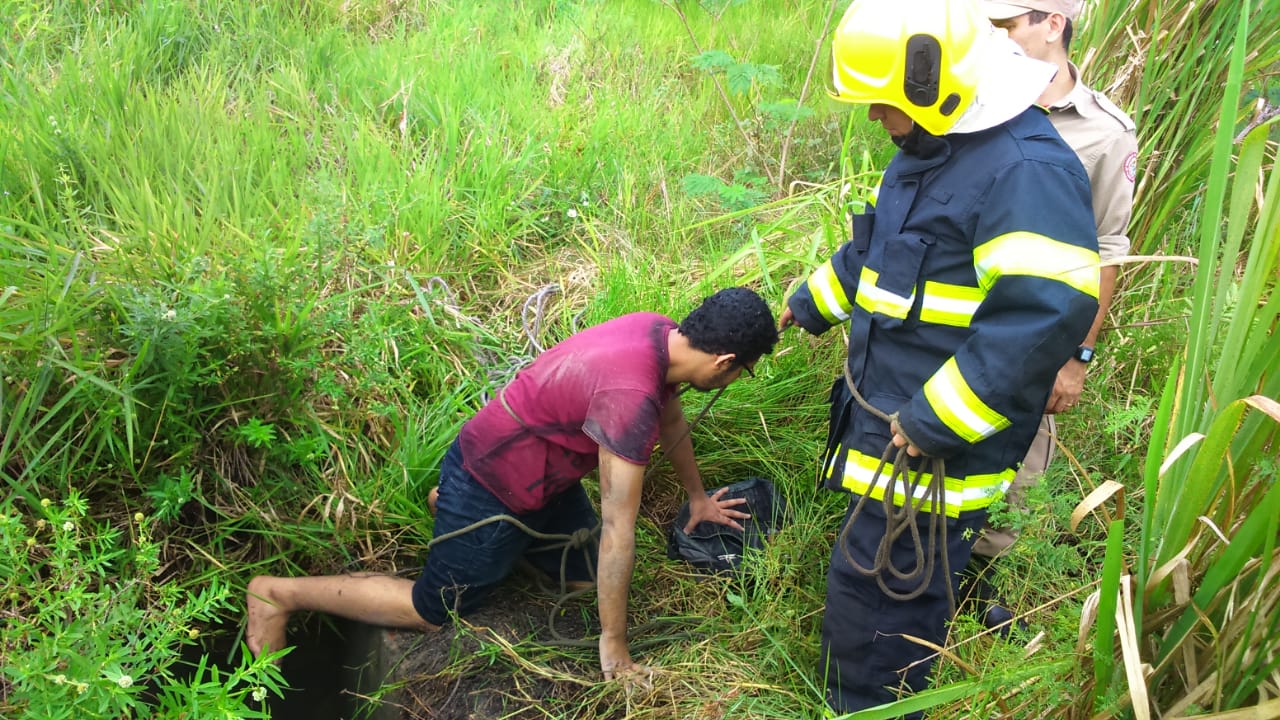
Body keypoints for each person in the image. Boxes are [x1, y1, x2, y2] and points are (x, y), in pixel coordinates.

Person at [777, 0, 1099, 714]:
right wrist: (806, 305)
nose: (873, 118)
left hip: (938, 448)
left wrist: (934, 421)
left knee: (880, 605)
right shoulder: (931, 149)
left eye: (881, 102)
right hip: (898, 422)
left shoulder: (1023, 170)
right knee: (888, 583)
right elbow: (876, 253)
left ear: (932, 85)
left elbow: (1043, 318)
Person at [246, 287, 778, 682]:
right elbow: (621, 528)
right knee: (433, 611)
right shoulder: (629, 394)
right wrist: (614, 648)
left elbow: (672, 422)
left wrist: (697, 498)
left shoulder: (660, 333)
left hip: (546, 480)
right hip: (493, 480)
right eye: (742, 372)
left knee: (586, 580)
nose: (734, 381)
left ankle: (452, 513)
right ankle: (279, 595)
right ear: (724, 361)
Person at [970, 0, 1138, 627]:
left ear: (1052, 23)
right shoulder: (976, 102)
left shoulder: (1104, 131)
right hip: (964, 314)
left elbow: (1107, 251)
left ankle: (981, 585)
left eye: (1008, 25)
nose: (997, 38)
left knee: (1020, 465)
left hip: (1041, 334)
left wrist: (1078, 357)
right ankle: (922, 568)